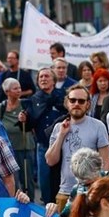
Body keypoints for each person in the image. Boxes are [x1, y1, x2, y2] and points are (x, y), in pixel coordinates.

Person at [46, 85, 109, 215]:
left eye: (81, 101)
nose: (76, 104)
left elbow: (105, 163)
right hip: (65, 191)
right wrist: (62, 135)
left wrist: (102, 191)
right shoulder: (59, 127)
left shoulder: (98, 126)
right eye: (73, 100)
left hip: (90, 192)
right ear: (67, 102)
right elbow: (50, 161)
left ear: (88, 104)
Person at [26, 68, 68, 204]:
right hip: (43, 146)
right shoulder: (34, 99)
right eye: (41, 77)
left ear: (54, 81)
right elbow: (29, 124)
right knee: (44, 180)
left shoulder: (63, 97)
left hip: (63, 146)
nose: (43, 79)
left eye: (46, 76)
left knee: (62, 179)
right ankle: (47, 206)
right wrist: (24, 119)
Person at [0, 78, 35, 194]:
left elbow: (33, 123)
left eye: (19, 88)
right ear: (7, 92)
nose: (19, 90)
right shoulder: (0, 108)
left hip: (25, 147)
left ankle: (30, 202)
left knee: (27, 179)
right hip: (8, 150)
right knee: (13, 180)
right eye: (15, 88)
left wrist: (26, 121)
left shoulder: (26, 104)